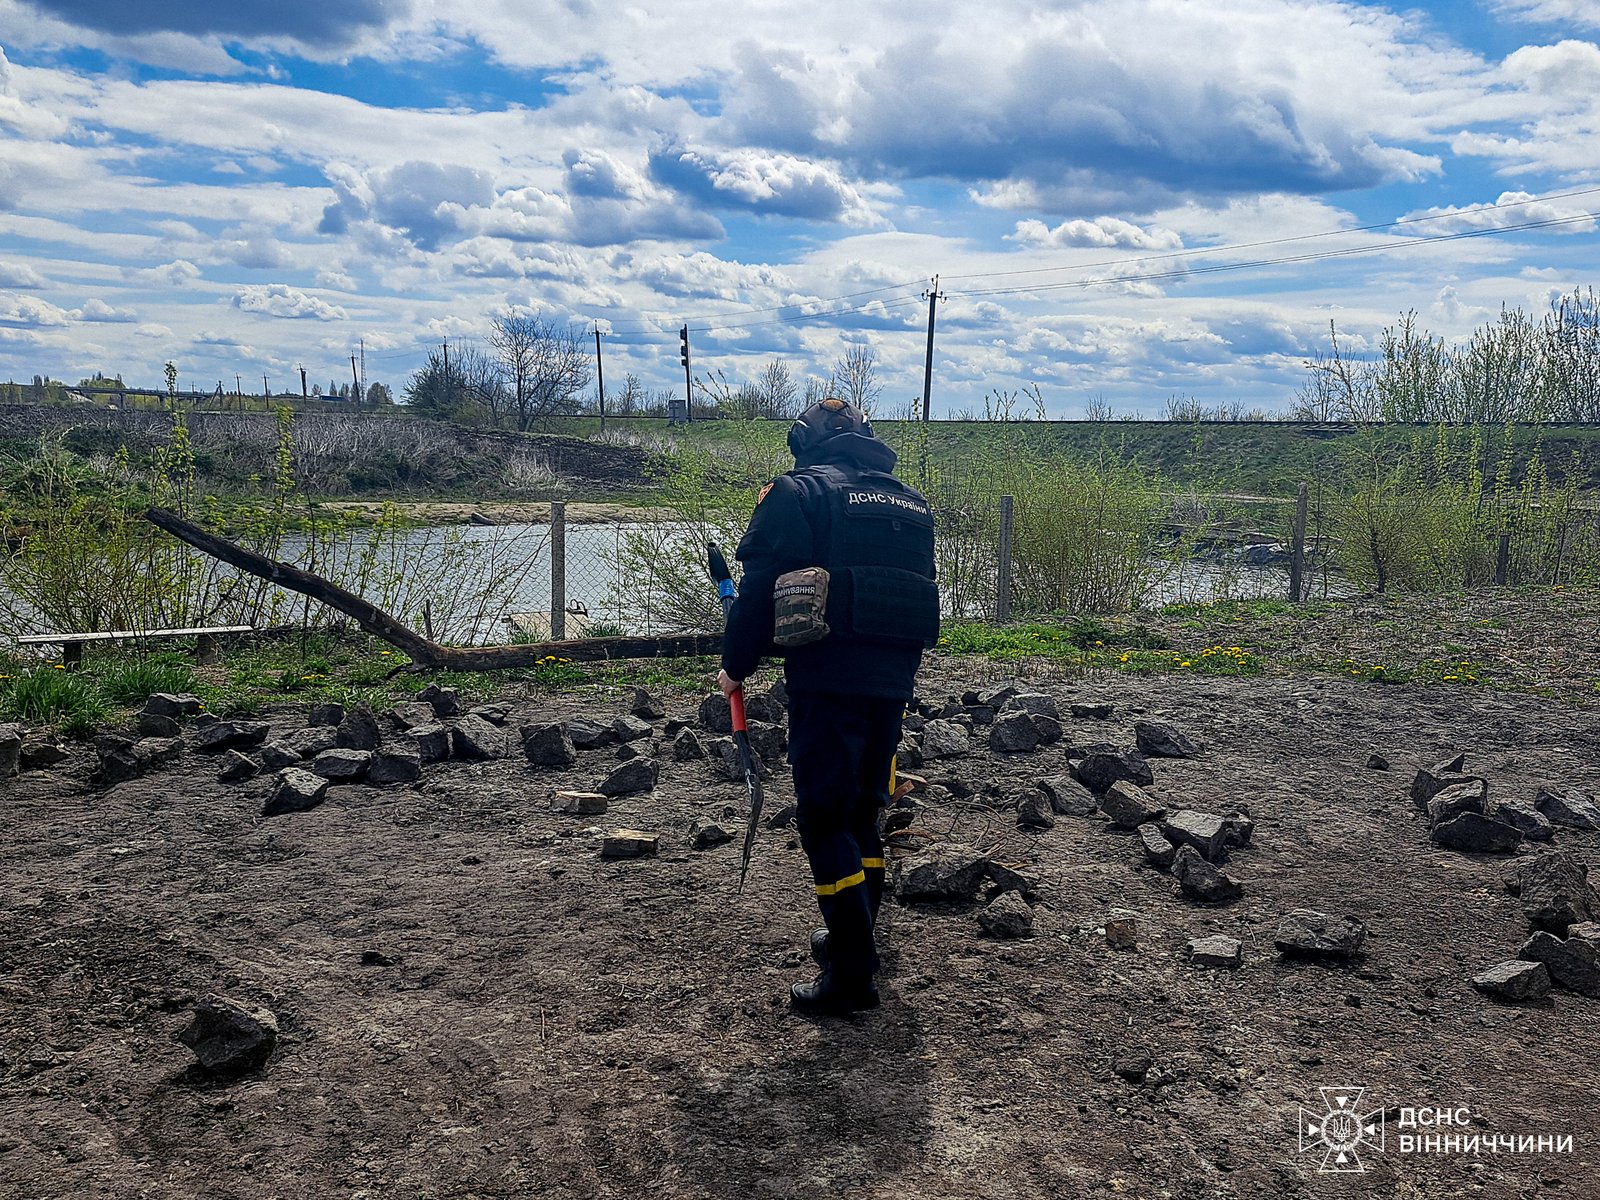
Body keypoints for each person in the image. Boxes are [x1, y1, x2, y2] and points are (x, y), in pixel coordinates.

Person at [717, 396, 939, 1014]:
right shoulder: (909, 502)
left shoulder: (796, 494)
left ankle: (851, 971)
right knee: (863, 809)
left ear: (802, 441)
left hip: (826, 675)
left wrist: (736, 666)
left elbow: (759, 590)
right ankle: (854, 934)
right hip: (894, 678)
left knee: (822, 817)